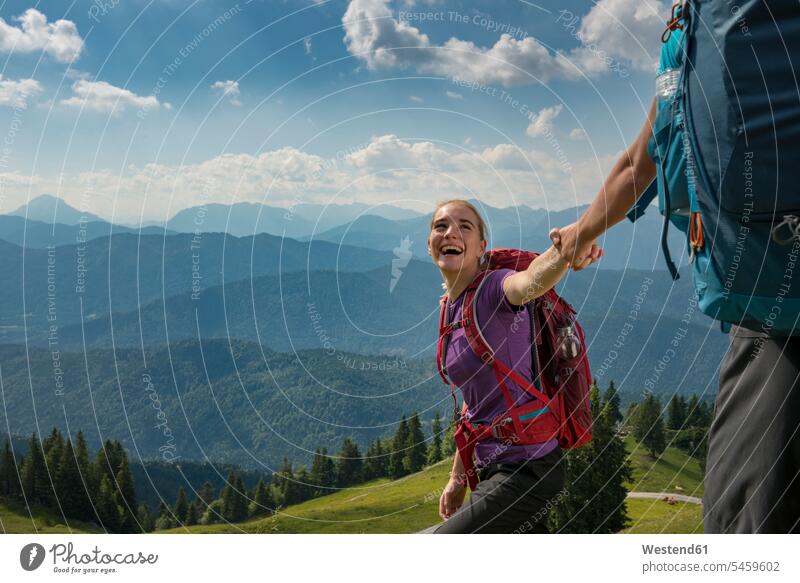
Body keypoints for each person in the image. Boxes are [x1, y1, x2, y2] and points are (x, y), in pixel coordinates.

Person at [550, 0, 800, 533]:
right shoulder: (687, 43)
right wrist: (581, 232)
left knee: (744, 526)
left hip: (774, 321)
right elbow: (640, 164)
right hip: (762, 301)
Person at [428, 199, 600, 534]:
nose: (451, 232)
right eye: (440, 226)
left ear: (481, 246)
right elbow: (474, 402)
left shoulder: (495, 289)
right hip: (494, 466)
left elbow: (530, 281)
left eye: (465, 226)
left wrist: (566, 249)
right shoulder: (450, 308)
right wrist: (456, 478)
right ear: (429, 243)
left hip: (528, 466)